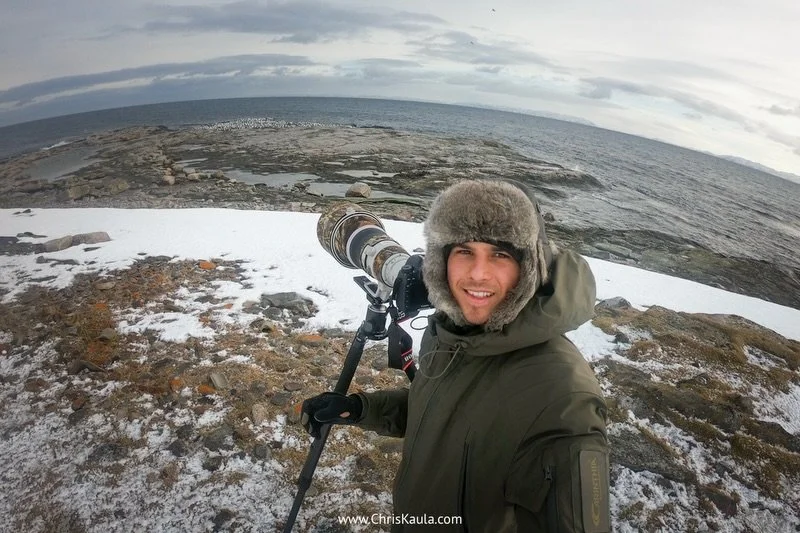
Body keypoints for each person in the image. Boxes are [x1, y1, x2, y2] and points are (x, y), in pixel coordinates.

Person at [301, 179, 610, 532]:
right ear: (441, 261)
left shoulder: (563, 399)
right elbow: (438, 415)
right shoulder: (452, 329)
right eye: (464, 251)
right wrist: (359, 409)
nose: (478, 274)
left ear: (529, 267)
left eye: (501, 254)